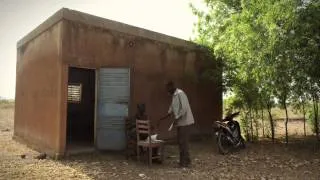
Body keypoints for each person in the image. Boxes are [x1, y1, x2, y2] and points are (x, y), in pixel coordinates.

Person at [160, 81, 194, 167]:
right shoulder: (174, 95)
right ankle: (186, 161)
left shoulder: (180, 93)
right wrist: (165, 116)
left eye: (168, 89)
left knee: (183, 142)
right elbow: (172, 106)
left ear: (172, 87)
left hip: (185, 122)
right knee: (181, 142)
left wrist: (177, 118)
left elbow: (184, 108)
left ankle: (184, 163)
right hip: (180, 122)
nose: (167, 91)